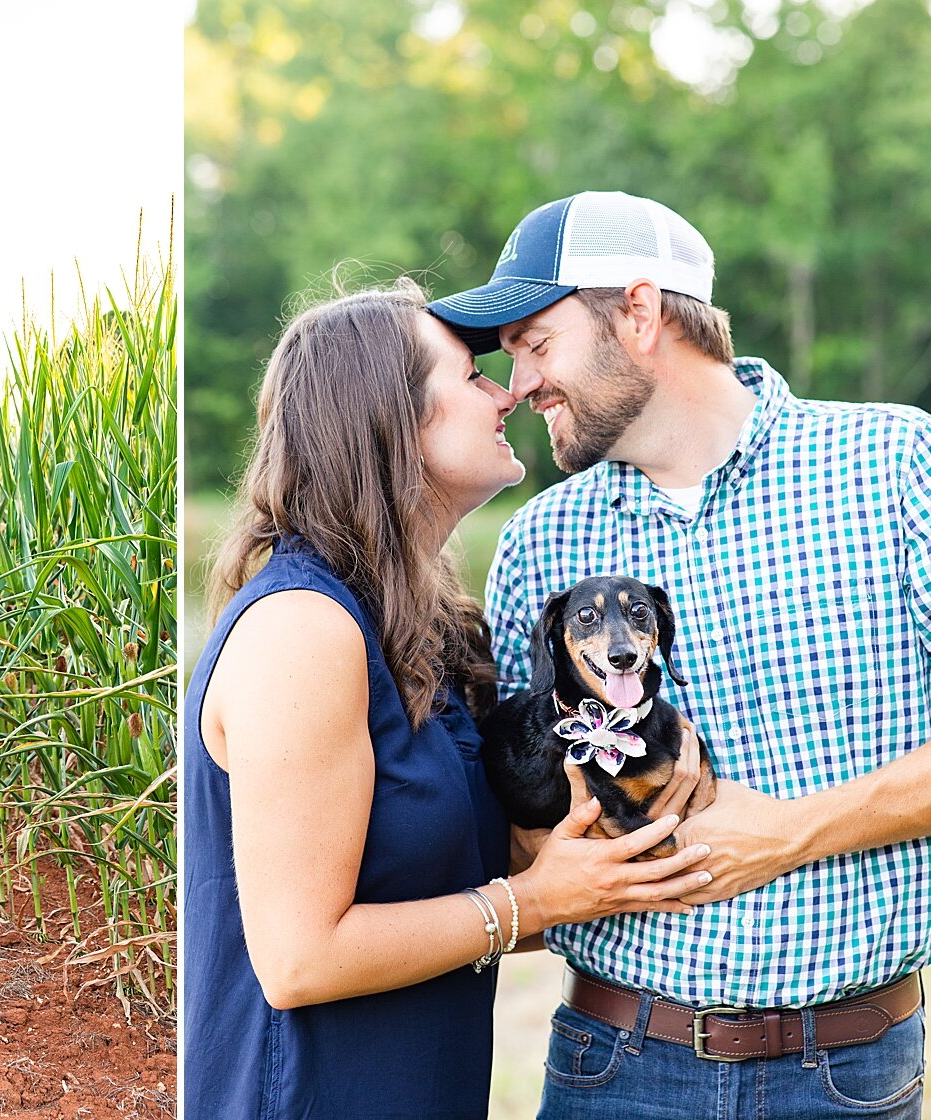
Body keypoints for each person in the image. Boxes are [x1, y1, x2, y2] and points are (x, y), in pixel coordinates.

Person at [431, 189, 931, 1118]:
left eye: (537, 343)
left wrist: (792, 831)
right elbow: (514, 794)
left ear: (640, 309)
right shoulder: (541, 542)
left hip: (853, 1074)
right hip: (615, 1065)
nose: (519, 385)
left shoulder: (896, 466)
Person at [182, 281, 713, 1119]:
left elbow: (444, 887)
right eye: (472, 376)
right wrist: (533, 901)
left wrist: (625, 841)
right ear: (393, 425)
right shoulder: (303, 630)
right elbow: (295, 960)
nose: (509, 391)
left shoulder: (424, 631)